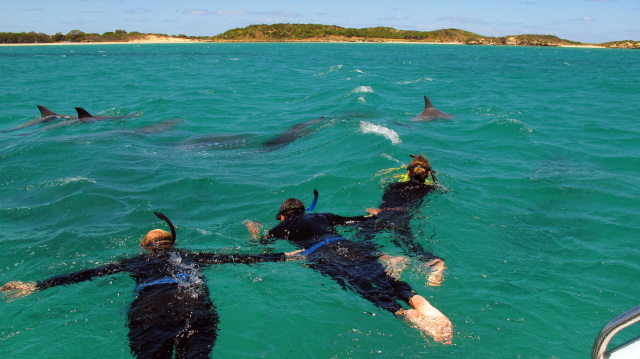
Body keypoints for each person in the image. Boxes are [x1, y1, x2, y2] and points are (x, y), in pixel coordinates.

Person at [1, 212, 301, 359]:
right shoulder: (191, 255)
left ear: (146, 248)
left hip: (150, 309)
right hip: (192, 303)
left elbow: (87, 274)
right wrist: (283, 257)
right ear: (172, 244)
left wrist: (35, 285)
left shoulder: (135, 261)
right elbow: (236, 259)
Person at [245, 198, 453, 344]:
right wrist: (372, 216)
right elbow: (354, 220)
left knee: (364, 287)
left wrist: (254, 230)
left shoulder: (280, 229)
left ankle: (402, 313)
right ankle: (414, 298)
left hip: (323, 254)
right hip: (348, 245)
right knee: (385, 277)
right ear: (303, 211)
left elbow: (262, 245)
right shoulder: (321, 216)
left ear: (282, 216)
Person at [358, 154, 446, 286]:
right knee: (411, 247)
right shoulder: (428, 189)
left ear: (408, 172)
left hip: (381, 216)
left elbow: (385, 203)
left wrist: (376, 211)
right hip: (401, 219)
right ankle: (437, 262)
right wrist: (432, 174)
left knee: (361, 243)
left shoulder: (392, 185)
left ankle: (389, 259)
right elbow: (441, 188)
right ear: (428, 174)